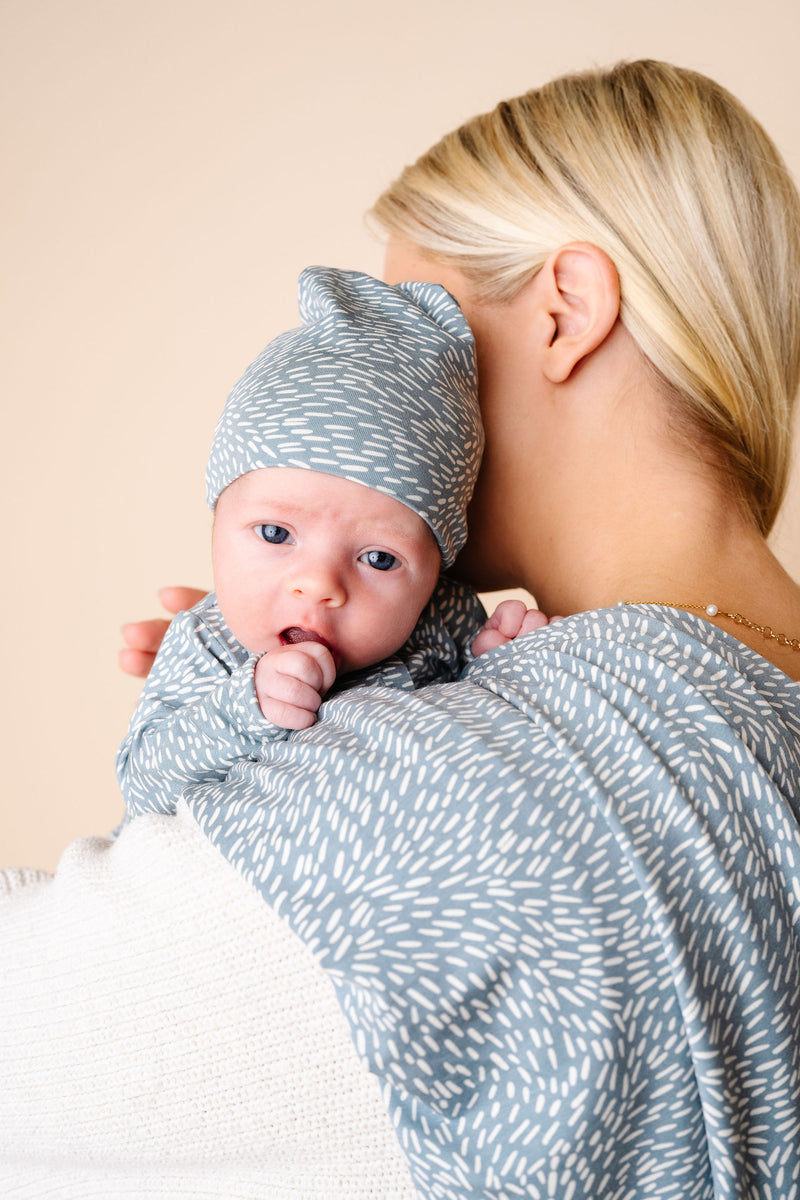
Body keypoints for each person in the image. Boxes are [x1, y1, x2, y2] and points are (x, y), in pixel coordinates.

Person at [3, 58, 800, 1199]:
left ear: (566, 311)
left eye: (423, 331)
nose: (384, 393)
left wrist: (284, 774)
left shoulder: (457, 788)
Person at [117, 263, 544, 818]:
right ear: (216, 523)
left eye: (378, 558)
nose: (318, 585)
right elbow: (143, 783)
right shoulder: (208, 642)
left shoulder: (442, 620)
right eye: (276, 533)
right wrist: (245, 706)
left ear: (436, 569)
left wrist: (494, 663)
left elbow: (482, 742)